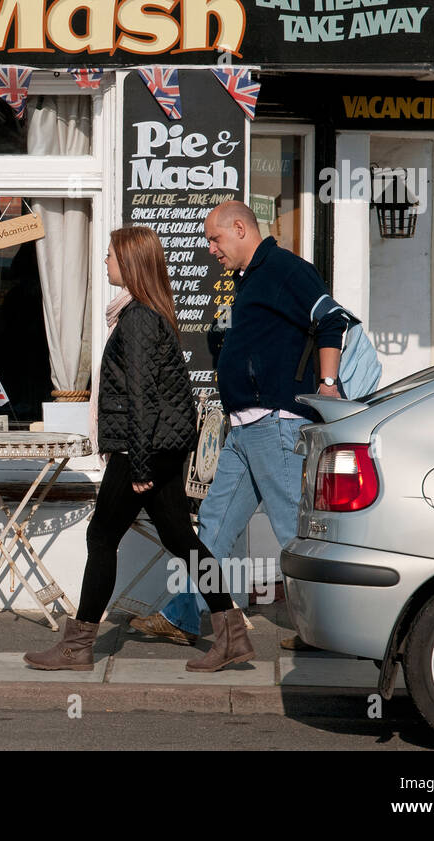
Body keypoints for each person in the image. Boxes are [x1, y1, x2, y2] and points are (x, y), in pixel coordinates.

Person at [25, 226, 251, 672]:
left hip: (141, 450)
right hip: (155, 448)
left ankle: (77, 647)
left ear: (129, 263)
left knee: (102, 536)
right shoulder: (141, 314)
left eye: (110, 255)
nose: (105, 261)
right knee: (181, 539)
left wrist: (141, 464)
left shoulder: (140, 320)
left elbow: (141, 396)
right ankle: (232, 634)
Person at [130, 200, 344, 652]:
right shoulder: (245, 279)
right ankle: (185, 614)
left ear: (241, 228)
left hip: (275, 424)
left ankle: (326, 628)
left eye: (215, 238)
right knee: (212, 524)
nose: (211, 249)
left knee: (291, 530)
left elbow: (331, 320)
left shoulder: (286, 269)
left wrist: (327, 384)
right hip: (244, 428)